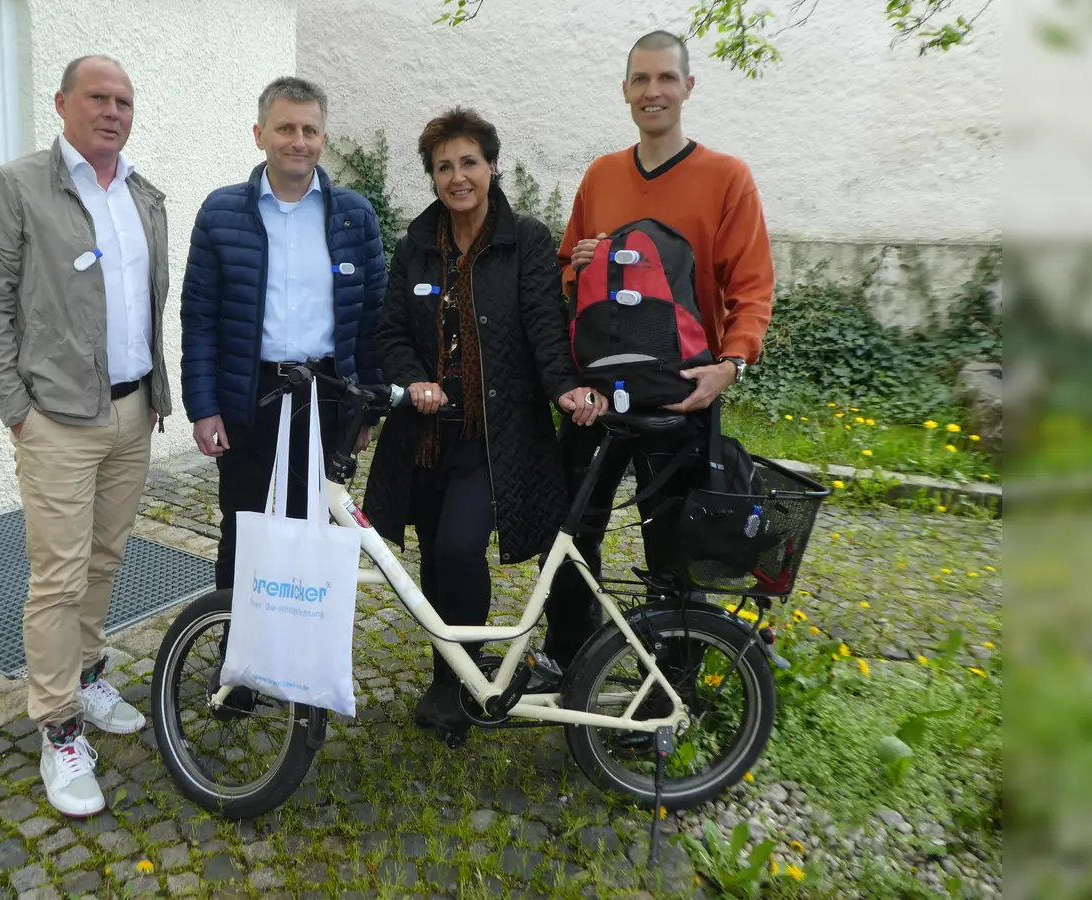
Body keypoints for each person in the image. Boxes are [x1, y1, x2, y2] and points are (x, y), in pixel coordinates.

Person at [0, 54, 164, 819]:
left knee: (106, 557)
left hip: (132, 410)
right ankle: (59, 726)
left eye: (124, 99)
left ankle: (85, 671)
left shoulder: (143, 195)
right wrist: (15, 406)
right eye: (98, 97)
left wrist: (153, 398)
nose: (113, 110)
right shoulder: (15, 189)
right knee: (58, 573)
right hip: (56, 418)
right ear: (62, 103)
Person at [360, 107, 605, 737]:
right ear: (433, 177)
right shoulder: (416, 244)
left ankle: (467, 680)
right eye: (444, 166)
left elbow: (545, 329)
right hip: (427, 432)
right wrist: (413, 379)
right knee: (436, 562)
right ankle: (449, 680)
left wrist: (568, 389)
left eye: (469, 161)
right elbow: (391, 331)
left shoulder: (524, 239)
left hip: (495, 435)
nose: (457, 176)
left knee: (460, 547)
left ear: (492, 165)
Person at [542, 30, 777, 668]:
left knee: (673, 541)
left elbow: (752, 286)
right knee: (570, 529)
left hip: (681, 394)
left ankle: (675, 683)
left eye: (666, 79)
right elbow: (569, 271)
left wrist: (730, 366)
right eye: (641, 80)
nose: (653, 92)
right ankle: (568, 656)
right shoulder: (601, 174)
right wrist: (581, 264)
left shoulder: (727, 178)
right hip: (598, 391)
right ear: (625, 91)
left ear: (688, 87)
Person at [180, 76, 386, 590]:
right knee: (245, 530)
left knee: (316, 529)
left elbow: (372, 319)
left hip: (329, 400)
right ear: (259, 133)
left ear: (322, 137)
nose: (299, 140)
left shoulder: (354, 217)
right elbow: (200, 317)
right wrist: (204, 408)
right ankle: (239, 656)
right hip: (251, 400)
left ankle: (304, 659)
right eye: (285, 128)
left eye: (310, 129)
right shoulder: (221, 212)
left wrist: (369, 409)